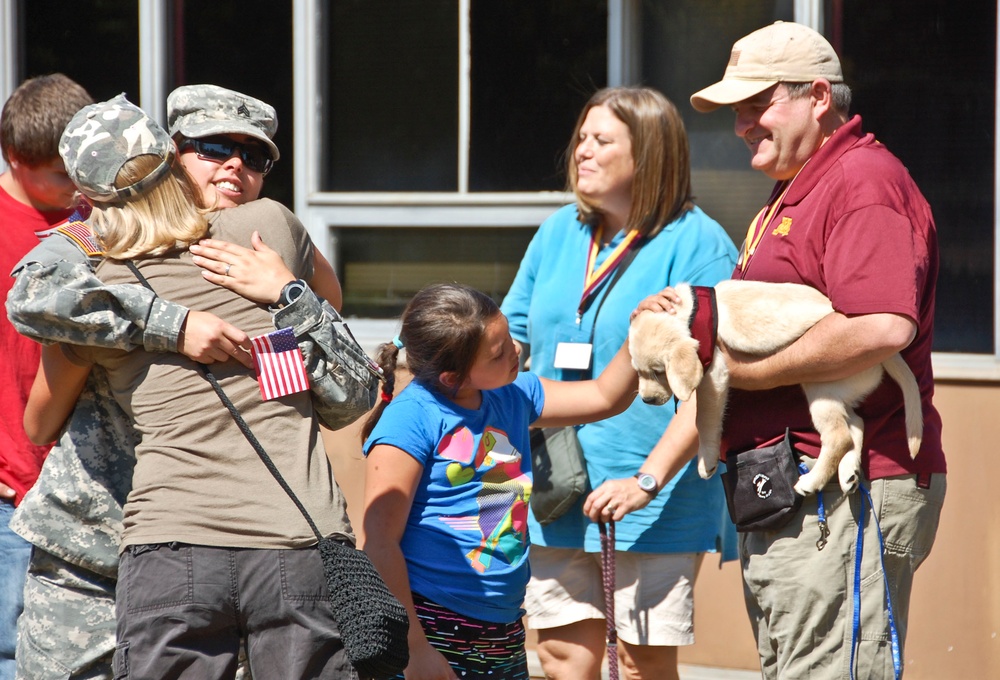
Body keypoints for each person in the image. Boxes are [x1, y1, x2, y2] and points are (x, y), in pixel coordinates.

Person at [602, 21, 947, 679]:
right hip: (790, 494)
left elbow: (882, 328)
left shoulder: (864, 180)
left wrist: (744, 372)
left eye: (757, 104)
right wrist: (690, 313)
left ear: (819, 96)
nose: (741, 125)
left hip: (849, 489)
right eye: (737, 110)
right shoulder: (795, 190)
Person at [7, 84, 341, 678]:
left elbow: (321, 354)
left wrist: (279, 295)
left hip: (228, 552)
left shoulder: (265, 244)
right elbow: (36, 358)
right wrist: (168, 324)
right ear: (168, 156)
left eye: (255, 156)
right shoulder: (98, 242)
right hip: (94, 545)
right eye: (211, 148)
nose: (235, 165)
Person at [499, 86, 737, 679]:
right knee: (558, 658)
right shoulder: (559, 232)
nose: (582, 151)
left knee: (637, 664)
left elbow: (715, 387)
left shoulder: (700, 244)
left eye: (602, 140)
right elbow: (512, 340)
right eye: (581, 137)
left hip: (653, 492)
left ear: (649, 156)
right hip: (553, 484)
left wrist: (645, 480)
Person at [361, 283, 640, 680]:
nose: (516, 351)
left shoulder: (512, 394)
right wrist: (414, 649)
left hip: (503, 628)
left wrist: (641, 333)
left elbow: (604, 396)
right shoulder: (410, 420)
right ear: (452, 376)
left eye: (508, 336)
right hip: (431, 626)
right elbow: (378, 541)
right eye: (499, 352)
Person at [0, 72, 93, 679]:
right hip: (12, 490)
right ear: (15, 159)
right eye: (61, 174)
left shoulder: (97, 218)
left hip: (90, 488)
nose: (76, 186)